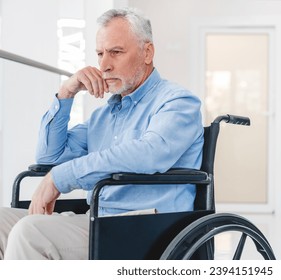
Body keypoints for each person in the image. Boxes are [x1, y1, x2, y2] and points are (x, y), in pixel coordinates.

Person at [0, 8, 203, 260]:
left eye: (116, 52)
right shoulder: (104, 116)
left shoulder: (178, 102)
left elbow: (149, 154)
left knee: (30, 233)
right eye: (100, 54)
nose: (104, 65)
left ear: (147, 52)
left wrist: (60, 178)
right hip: (98, 219)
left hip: (146, 226)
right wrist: (66, 93)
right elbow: (48, 157)